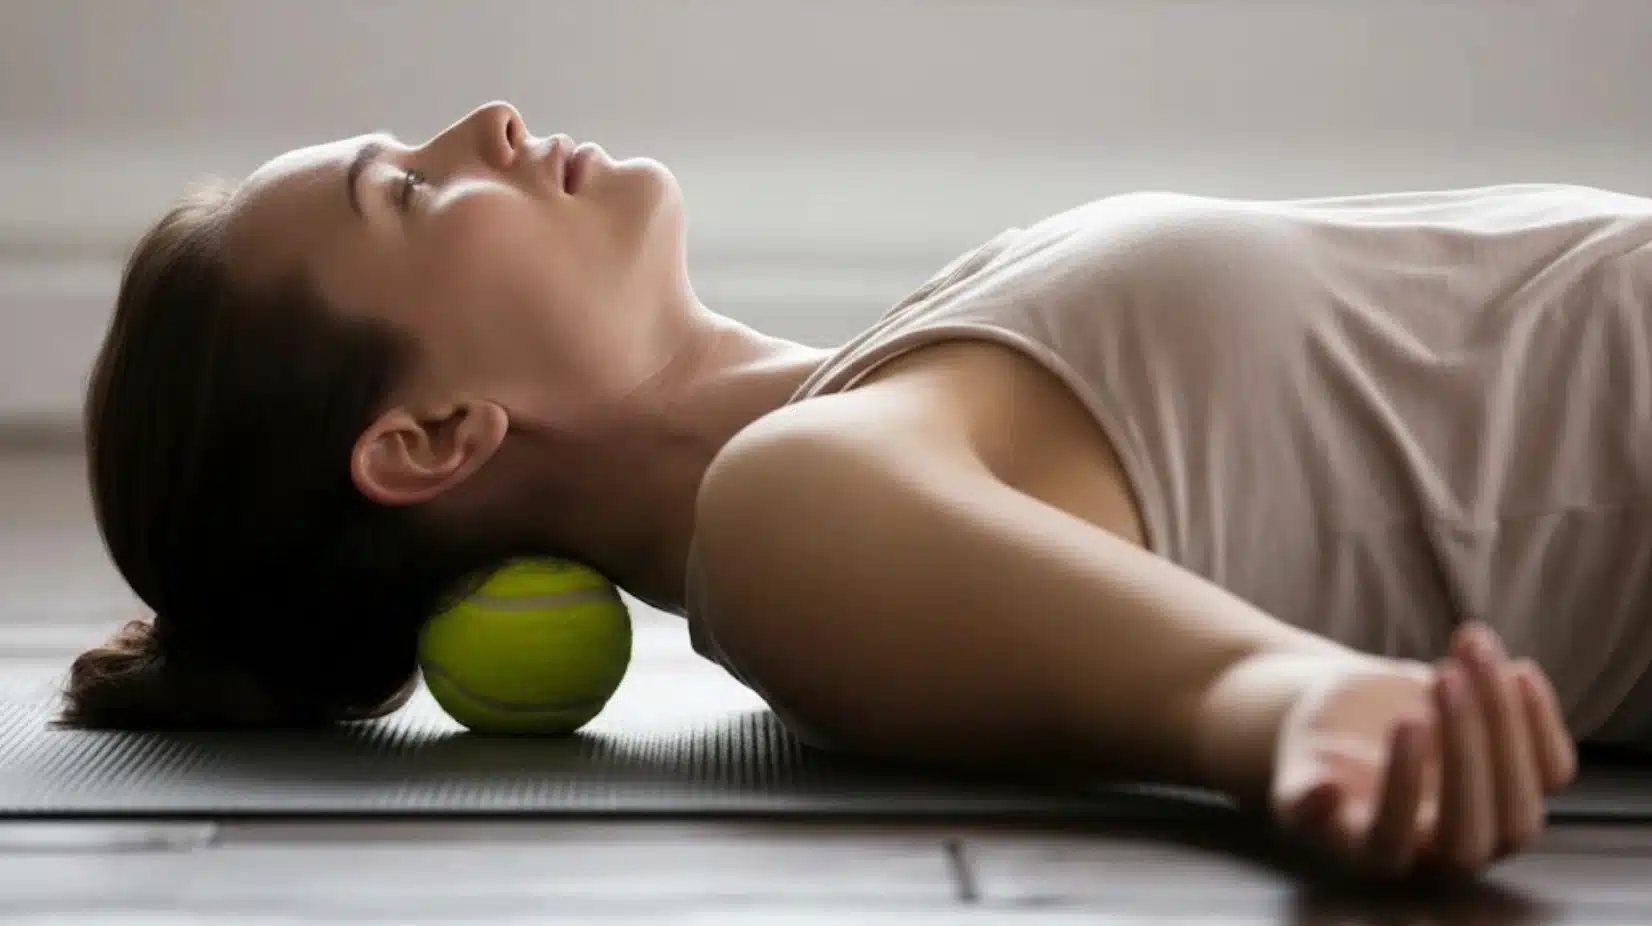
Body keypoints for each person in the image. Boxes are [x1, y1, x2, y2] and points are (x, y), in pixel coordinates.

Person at [74, 99, 1652, 881]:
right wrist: (1311, 711)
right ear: (430, 436)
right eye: (409, 189)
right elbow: (1252, 692)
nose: (481, 121)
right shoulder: (790, 507)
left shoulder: (891, 372)